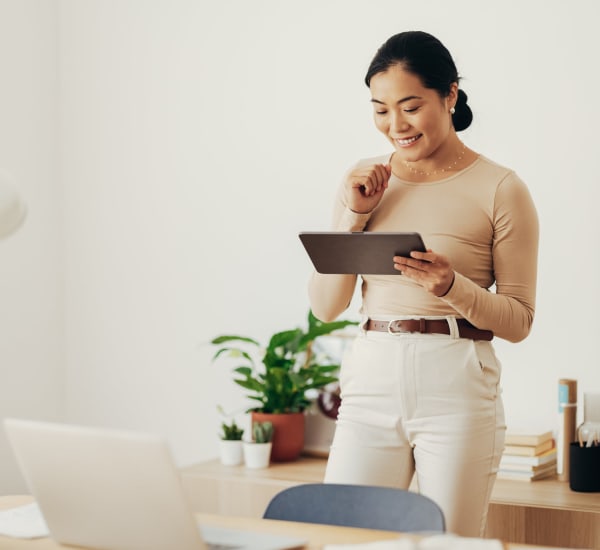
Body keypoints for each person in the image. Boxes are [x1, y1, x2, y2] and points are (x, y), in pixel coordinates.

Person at [308, 31, 538, 537]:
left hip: (456, 387)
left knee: (448, 544)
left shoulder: (501, 188)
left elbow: (519, 320)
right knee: (346, 539)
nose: (396, 126)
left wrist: (451, 286)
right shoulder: (363, 181)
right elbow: (326, 307)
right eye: (380, 110)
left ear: (450, 95)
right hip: (370, 382)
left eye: (410, 107)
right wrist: (354, 215)